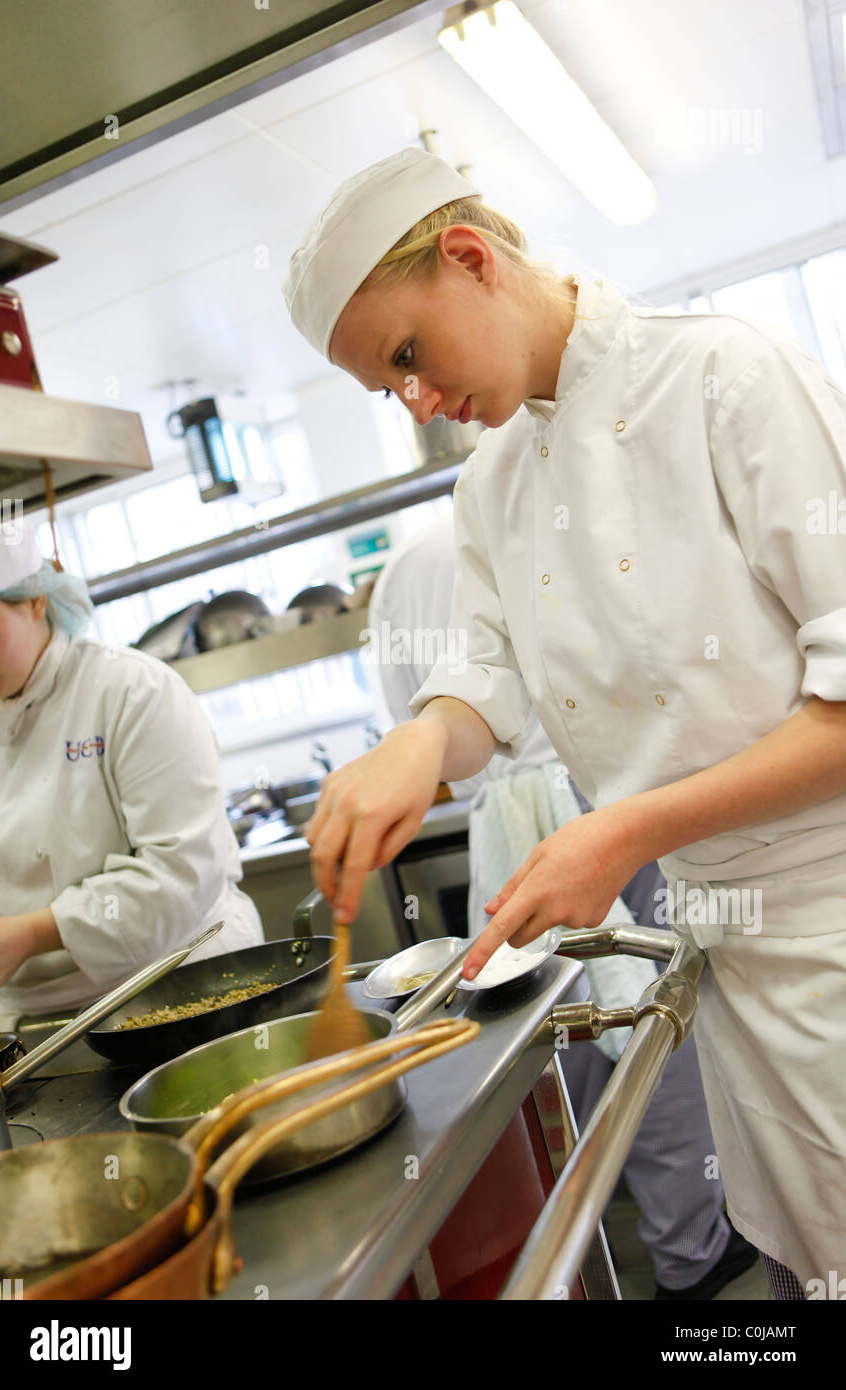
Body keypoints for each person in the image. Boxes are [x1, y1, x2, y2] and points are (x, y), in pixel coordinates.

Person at [283, 146, 846, 1300]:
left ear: (469, 257)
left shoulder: (725, 379)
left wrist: (625, 830)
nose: (417, 405)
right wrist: (418, 742)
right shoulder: (489, 488)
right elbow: (481, 684)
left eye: (406, 356)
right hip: (728, 955)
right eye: (386, 390)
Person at [366, 512, 757, 1298]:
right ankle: (691, 1250)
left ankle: (570, 1246)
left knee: (549, 1026)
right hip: (592, 799)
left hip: (510, 812)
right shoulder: (523, 533)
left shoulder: (397, 575)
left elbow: (420, 718)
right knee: (651, 1016)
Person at [0, 526, 264, 1030]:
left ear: (35, 602)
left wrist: (31, 934)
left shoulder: (132, 691)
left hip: (174, 987)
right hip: (29, 1021)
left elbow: (181, 874)